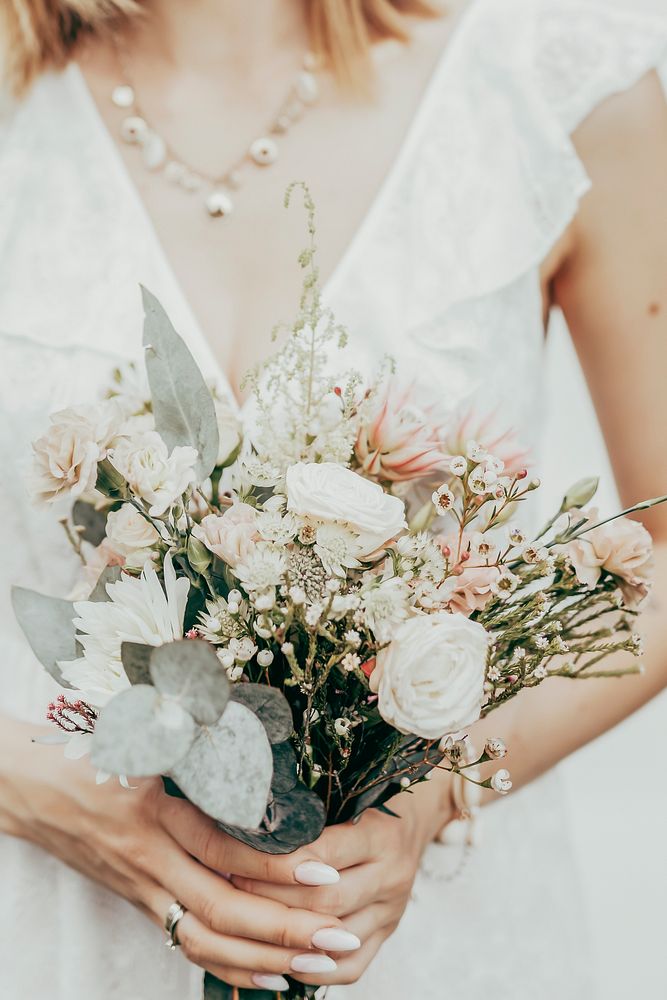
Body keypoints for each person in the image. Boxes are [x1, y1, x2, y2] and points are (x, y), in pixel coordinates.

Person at [1, 1, 666, 997]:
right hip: (47, 928)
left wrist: (439, 791)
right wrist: (38, 788)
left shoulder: (553, 83)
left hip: (432, 940)